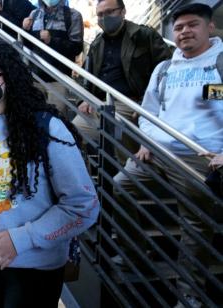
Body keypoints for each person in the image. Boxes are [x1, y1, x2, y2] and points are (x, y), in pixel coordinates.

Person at [0, 39, 99, 307]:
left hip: (32, 271)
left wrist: (21, 239)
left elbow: (83, 206)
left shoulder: (46, 128)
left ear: (10, 76)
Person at [113, 4, 222, 307]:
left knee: (195, 225)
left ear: (209, 27)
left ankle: (189, 295)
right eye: (179, 27)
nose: (185, 31)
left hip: (198, 157)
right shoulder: (165, 69)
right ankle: (136, 253)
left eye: (193, 25)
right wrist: (146, 141)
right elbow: (148, 111)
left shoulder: (219, 65)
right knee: (122, 185)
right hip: (157, 151)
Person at [71, 0, 172, 159]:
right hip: (100, 103)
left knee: (117, 135)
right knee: (72, 133)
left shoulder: (144, 35)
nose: (104, 18)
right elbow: (86, 76)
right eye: (100, 14)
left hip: (131, 102)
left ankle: (128, 173)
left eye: (110, 12)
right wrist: (83, 99)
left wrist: (147, 104)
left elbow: (166, 70)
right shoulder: (97, 43)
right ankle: (85, 181)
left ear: (123, 12)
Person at [22, 0, 84, 117]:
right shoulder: (34, 14)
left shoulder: (72, 15)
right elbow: (28, 47)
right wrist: (24, 31)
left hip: (59, 80)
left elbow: (77, 48)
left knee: (58, 121)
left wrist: (52, 41)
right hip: (35, 79)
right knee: (34, 121)